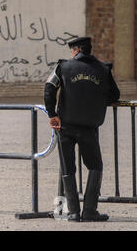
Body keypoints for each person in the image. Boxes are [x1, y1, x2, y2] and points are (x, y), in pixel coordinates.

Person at [44, 37, 120, 222]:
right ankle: (90, 211)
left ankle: (74, 212)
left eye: (72, 50)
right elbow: (115, 94)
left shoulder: (63, 67)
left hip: (66, 126)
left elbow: (49, 88)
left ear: (76, 50)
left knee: (68, 167)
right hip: (89, 127)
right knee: (95, 166)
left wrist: (52, 114)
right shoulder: (103, 69)